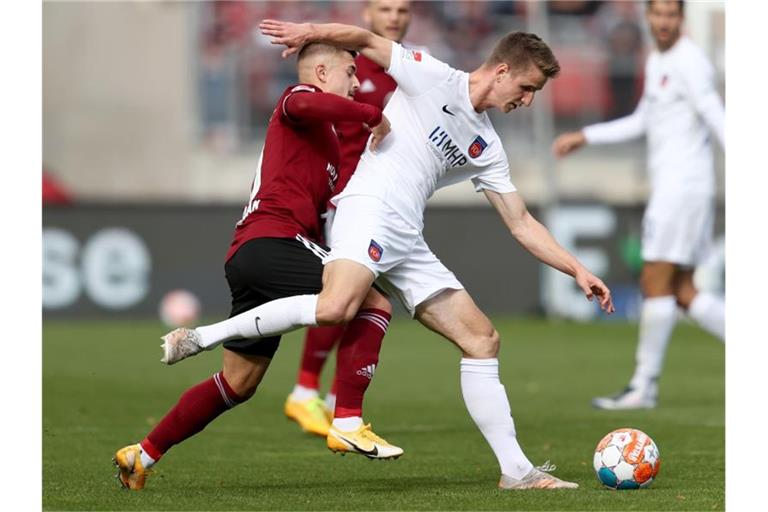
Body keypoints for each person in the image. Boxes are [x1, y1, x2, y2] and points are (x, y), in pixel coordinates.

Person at [164, 20, 615, 490]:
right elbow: (363, 40)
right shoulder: (433, 75)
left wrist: (577, 268)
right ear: (501, 72)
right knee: (338, 307)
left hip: (407, 236)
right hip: (368, 210)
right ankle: (205, 335)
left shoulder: (488, 147)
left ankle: (516, 471)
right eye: (527, 87)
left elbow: (521, 222)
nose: (528, 100)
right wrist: (309, 31)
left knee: (482, 340)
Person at [113, 42, 402, 491]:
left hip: (256, 252)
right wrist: (368, 113)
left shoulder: (325, 136)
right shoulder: (297, 99)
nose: (355, 81)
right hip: (273, 241)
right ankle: (346, 419)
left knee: (238, 382)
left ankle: (142, 454)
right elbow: (303, 101)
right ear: (321, 72)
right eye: (349, 72)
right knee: (372, 303)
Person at [552, 0, 725, 410]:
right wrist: (587, 135)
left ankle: (643, 386)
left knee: (655, 281)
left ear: (681, 18)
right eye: (658, 14)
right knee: (683, 292)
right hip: (680, 189)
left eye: (671, 15)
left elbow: (717, 116)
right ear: (648, 17)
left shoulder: (689, 62)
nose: (664, 22)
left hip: (682, 190)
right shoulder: (660, 60)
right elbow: (643, 120)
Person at [285, 0, 416, 439]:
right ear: (366, 15)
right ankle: (308, 392)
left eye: (402, 9)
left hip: (387, 203)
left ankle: (324, 399)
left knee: (362, 300)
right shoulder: (352, 68)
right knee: (353, 298)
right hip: (345, 199)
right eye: (385, 8)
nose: (395, 16)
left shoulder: (409, 69)